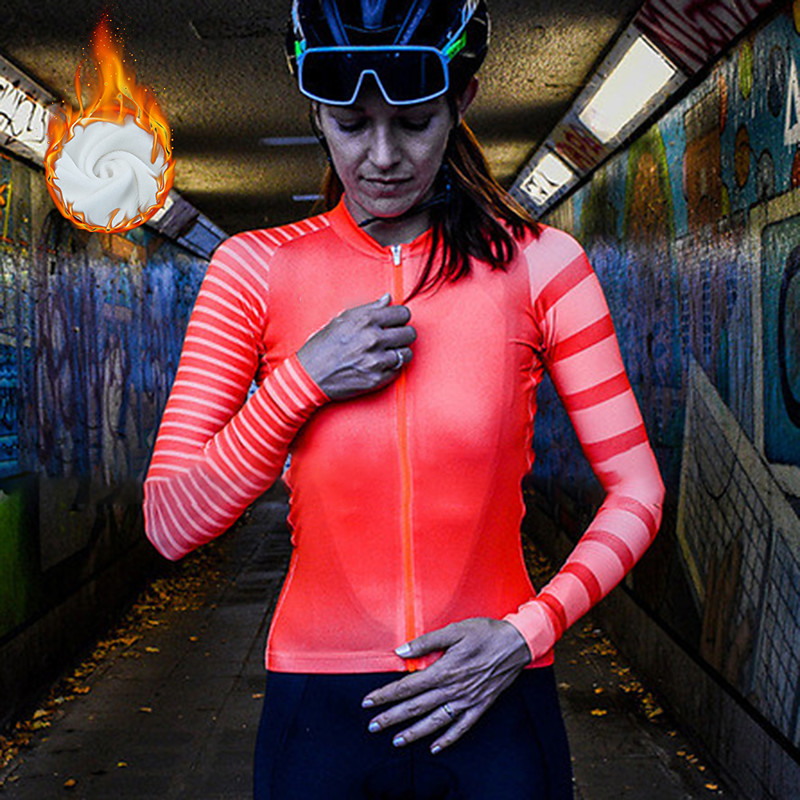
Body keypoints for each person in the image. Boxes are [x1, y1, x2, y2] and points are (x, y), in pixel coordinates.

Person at [143, 0, 665, 797]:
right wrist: (302, 382)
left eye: (415, 122)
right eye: (351, 125)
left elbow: (639, 491)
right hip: (318, 708)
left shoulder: (541, 265)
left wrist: (529, 631)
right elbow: (171, 523)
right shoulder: (252, 271)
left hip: (495, 690)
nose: (382, 156)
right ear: (315, 112)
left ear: (462, 101)